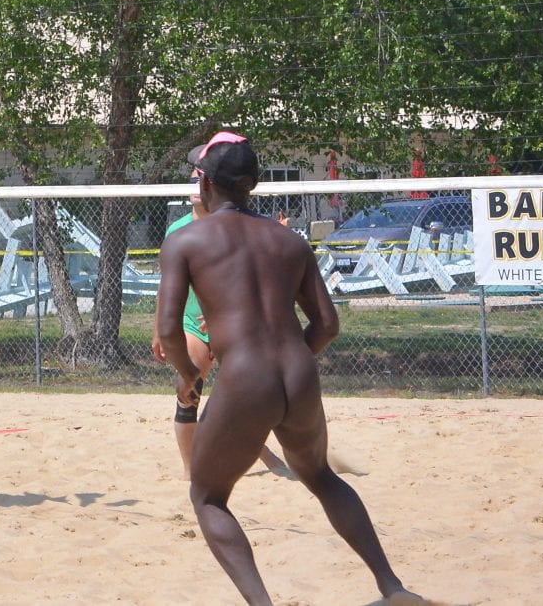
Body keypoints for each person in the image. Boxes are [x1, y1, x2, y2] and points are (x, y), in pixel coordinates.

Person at [157, 133, 420, 606]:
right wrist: (291, 361)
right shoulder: (289, 240)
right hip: (299, 372)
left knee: (208, 496)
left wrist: (190, 374)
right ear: (252, 185)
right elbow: (328, 325)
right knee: (321, 476)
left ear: (206, 184)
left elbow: (169, 331)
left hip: (245, 376)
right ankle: (392, 586)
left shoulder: (186, 241)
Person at [152, 132, 289, 481]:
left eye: (200, 176)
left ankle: (268, 455)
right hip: (193, 325)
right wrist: (158, 332)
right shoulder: (179, 232)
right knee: (189, 392)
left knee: (243, 399)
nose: (195, 182)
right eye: (194, 177)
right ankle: (191, 471)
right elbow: (166, 290)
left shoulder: (240, 227)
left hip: (232, 326)